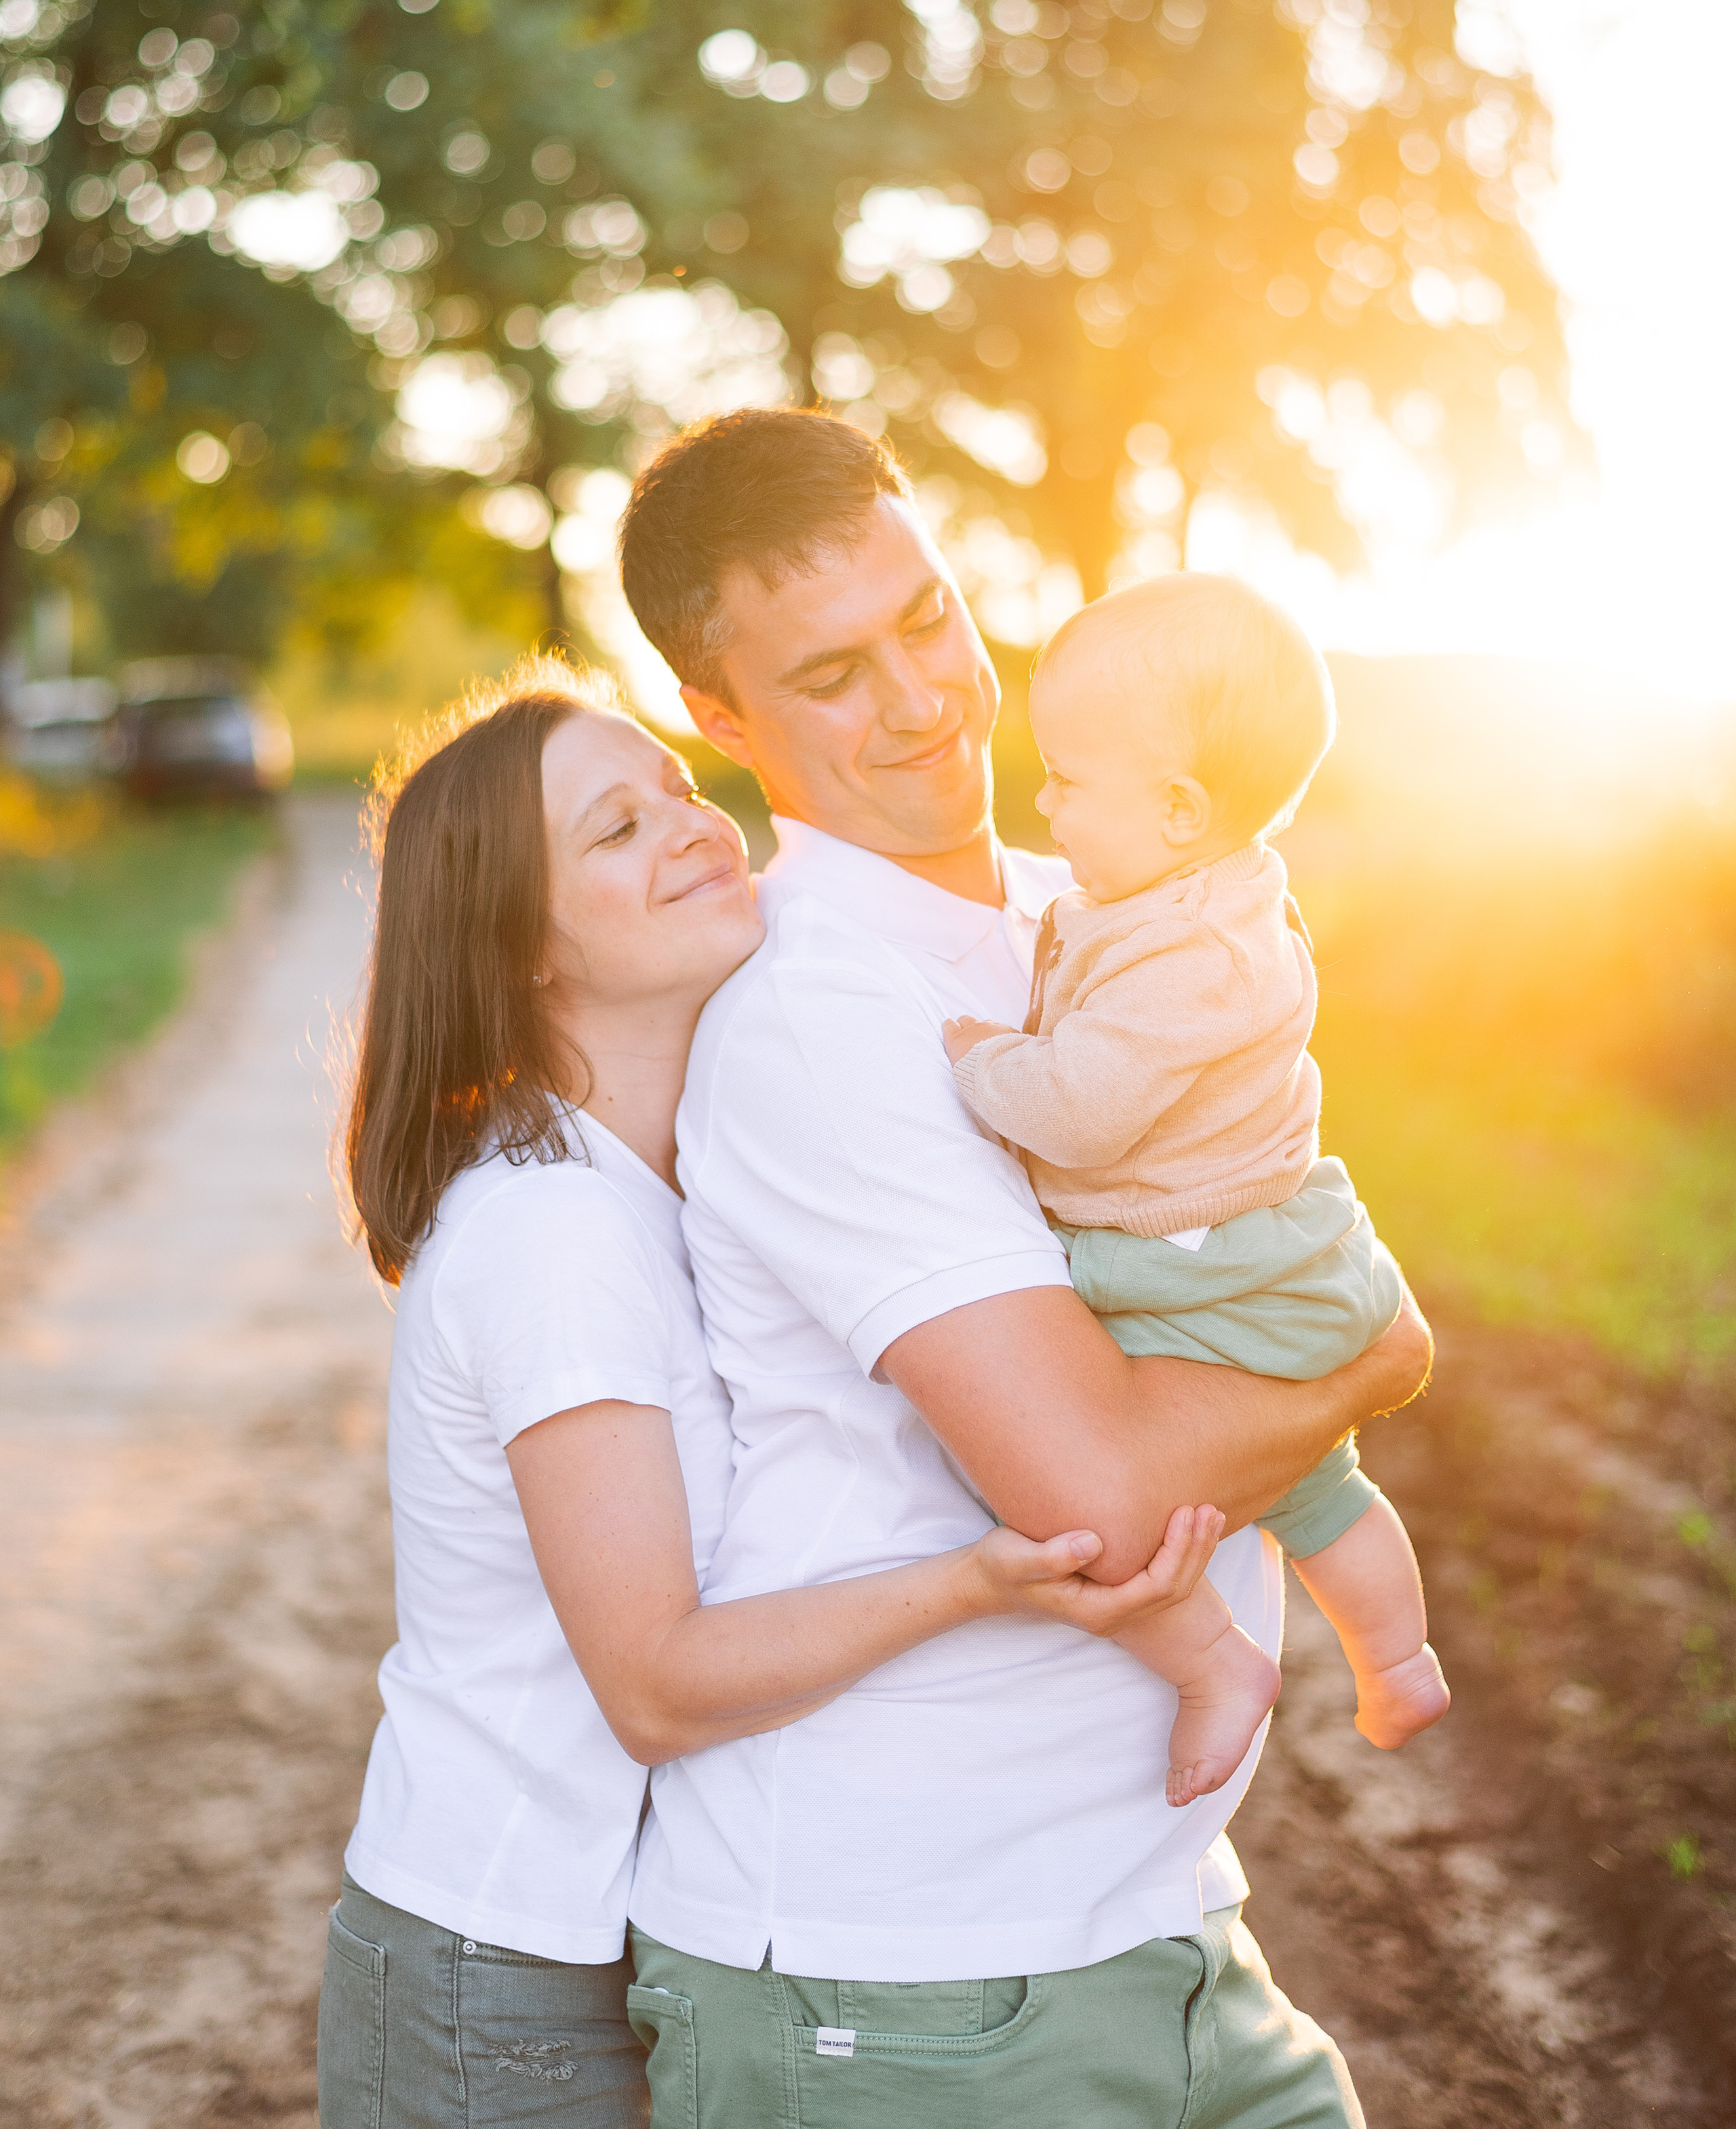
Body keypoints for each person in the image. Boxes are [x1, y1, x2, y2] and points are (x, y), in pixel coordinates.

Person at [616, 409, 1434, 2128]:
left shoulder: (1100, 905)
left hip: (1162, 1928)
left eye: (925, 620)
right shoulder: (819, 1022)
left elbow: (1244, 1216)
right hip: (891, 1982)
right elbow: (1097, 1490)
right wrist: (1362, 1365)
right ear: (718, 716)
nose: (921, 700)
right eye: (832, 672)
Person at [317, 656, 1223, 2129]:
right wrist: (978, 1581)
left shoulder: (660, 1178)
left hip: (594, 1941)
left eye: (676, 788)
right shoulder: (556, 1232)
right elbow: (657, 1685)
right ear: (522, 947)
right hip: (500, 1972)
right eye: (614, 831)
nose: (691, 825)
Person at [943, 573, 1451, 1812]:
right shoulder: (1184, 897)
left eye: (1067, 777)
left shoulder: (1198, 958)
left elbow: (1081, 1105)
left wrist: (979, 1057)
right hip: (1255, 1247)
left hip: (1191, 1261)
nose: (1043, 798)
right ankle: (1401, 1659)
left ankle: (1211, 1659)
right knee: (1318, 1478)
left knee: (1047, 1476)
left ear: (1177, 810)